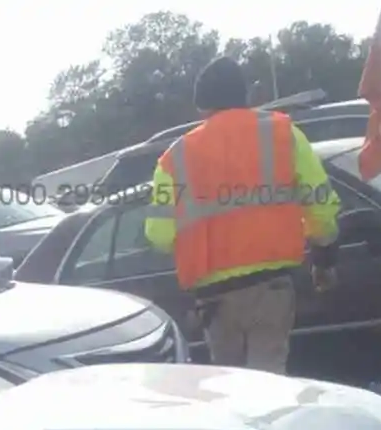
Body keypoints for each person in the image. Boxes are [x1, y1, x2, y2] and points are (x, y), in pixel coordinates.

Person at [143, 56, 341, 373]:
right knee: (269, 381)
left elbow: (159, 235)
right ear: (244, 97)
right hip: (271, 287)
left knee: (233, 391)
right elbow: (320, 202)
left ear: (202, 106)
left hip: (215, 299)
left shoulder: (174, 157)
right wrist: (324, 257)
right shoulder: (283, 134)